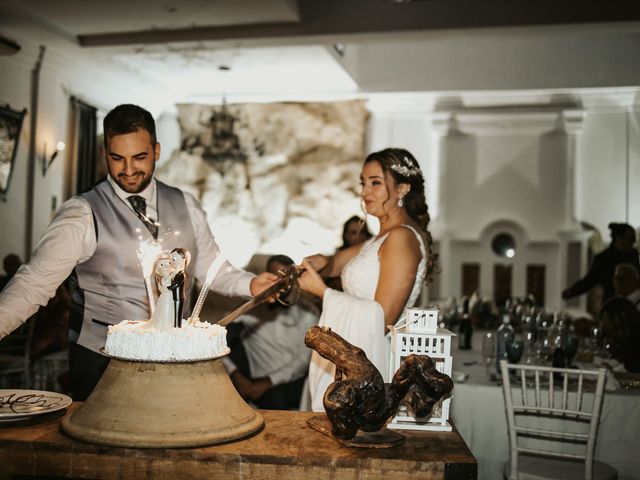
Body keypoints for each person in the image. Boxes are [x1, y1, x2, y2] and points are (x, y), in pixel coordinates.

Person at [0, 104, 277, 400]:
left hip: (175, 362)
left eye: (139, 157)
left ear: (156, 150)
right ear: (105, 152)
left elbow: (212, 268)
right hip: (103, 365)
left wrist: (251, 284)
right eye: (117, 158)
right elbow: (32, 284)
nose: (128, 170)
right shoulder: (81, 214)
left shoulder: (186, 204)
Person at [298, 148, 439, 412]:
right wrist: (321, 262)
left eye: (375, 182)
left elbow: (382, 317)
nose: (365, 191)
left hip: (371, 363)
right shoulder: (379, 238)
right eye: (363, 182)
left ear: (402, 189)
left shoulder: (402, 238)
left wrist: (322, 292)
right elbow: (335, 263)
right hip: (354, 354)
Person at [222, 255, 319, 410]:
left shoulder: (310, 313)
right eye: (276, 276)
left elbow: (302, 360)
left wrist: (268, 382)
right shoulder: (250, 309)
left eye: (286, 277)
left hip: (291, 381)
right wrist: (236, 375)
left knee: (277, 400)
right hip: (253, 378)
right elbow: (214, 339)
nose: (280, 283)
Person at [562, 222, 639, 305]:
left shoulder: (634, 255)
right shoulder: (604, 258)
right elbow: (590, 280)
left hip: (634, 300)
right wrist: (572, 291)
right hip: (612, 302)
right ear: (618, 238)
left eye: (634, 238)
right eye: (631, 238)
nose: (633, 242)